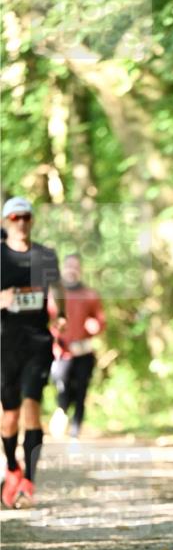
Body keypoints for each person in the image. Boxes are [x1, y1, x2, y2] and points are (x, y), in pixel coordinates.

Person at [1, 197, 63, 509]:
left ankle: (31, 480)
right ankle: (13, 467)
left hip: (38, 343)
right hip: (5, 345)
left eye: (26, 217)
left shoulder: (45, 255)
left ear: (32, 220)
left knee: (31, 407)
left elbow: (57, 291)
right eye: (15, 217)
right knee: (8, 419)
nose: (21, 222)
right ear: (5, 222)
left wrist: (60, 314)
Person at [50, 253, 106, 439]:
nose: (72, 270)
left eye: (76, 266)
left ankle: (76, 428)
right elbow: (45, 319)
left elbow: (100, 320)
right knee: (62, 383)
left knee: (82, 388)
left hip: (83, 349)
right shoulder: (53, 293)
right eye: (69, 266)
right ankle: (62, 410)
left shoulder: (89, 294)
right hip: (61, 350)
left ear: (80, 270)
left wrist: (95, 326)